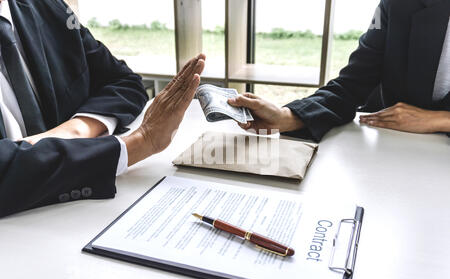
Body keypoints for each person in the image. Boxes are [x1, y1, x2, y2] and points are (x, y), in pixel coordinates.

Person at [0, 0, 205, 217]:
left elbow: (124, 81)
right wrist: (139, 143)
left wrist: (76, 130)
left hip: (74, 212)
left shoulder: (45, 6)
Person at [228, 0, 450, 141]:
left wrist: (440, 120)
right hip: (397, 157)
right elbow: (352, 84)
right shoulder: (395, 5)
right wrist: (287, 117)